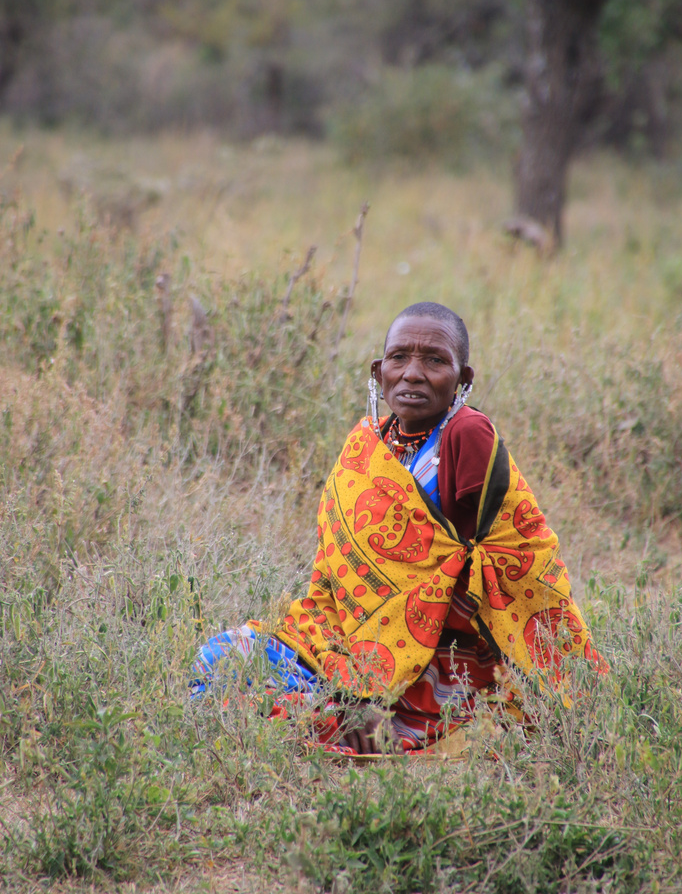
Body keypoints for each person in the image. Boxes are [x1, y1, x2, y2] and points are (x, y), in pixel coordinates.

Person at [191, 302, 607, 754]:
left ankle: (385, 714)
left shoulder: (466, 434)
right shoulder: (370, 441)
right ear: (378, 370)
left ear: (462, 379)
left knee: (318, 720)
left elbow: (483, 561)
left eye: (434, 360)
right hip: (348, 633)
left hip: (439, 654)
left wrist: (384, 667)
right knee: (222, 657)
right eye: (399, 358)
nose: (412, 373)